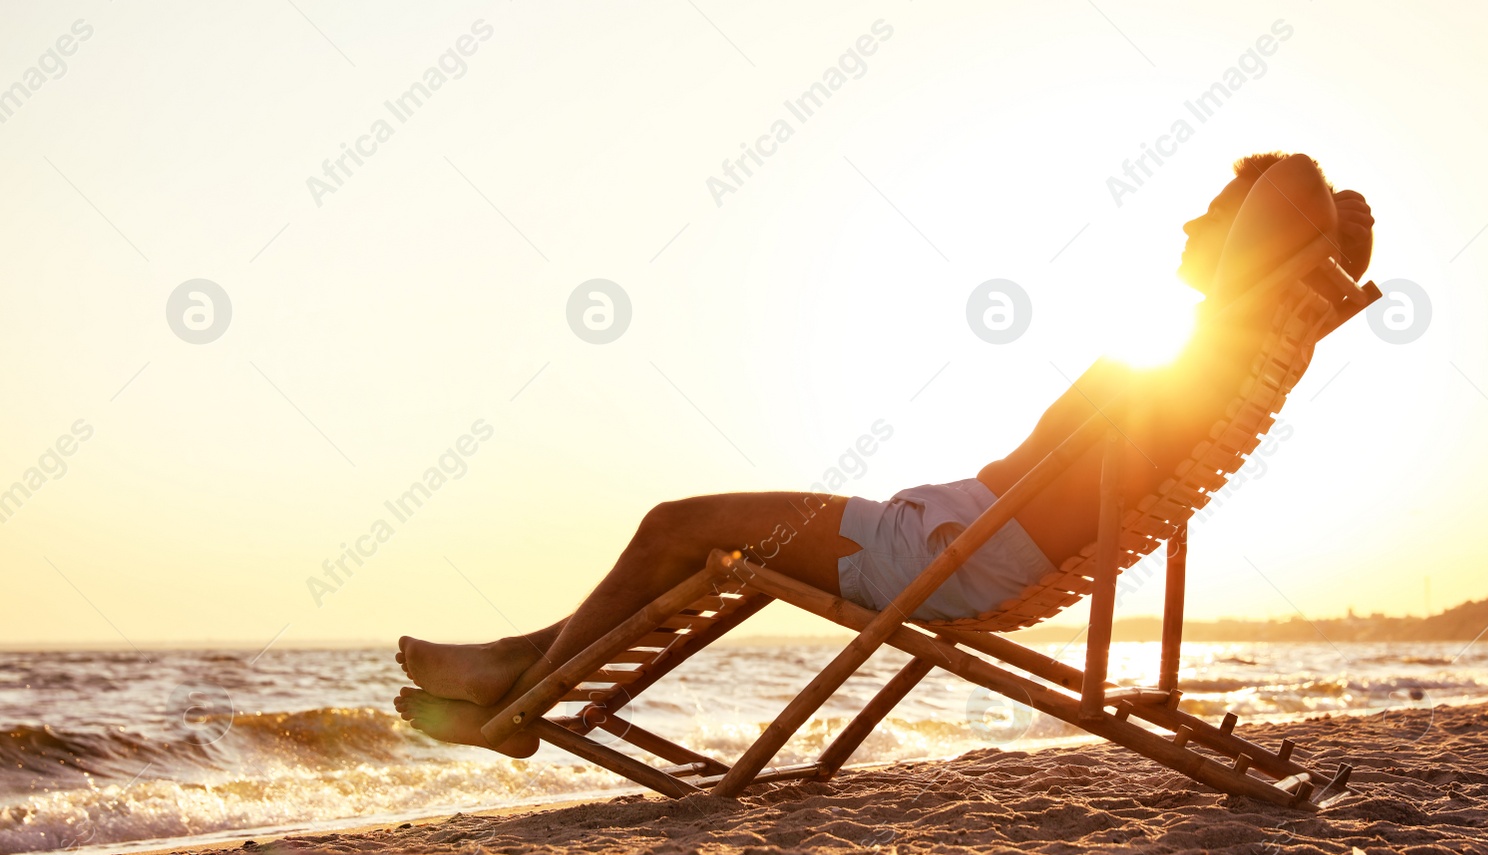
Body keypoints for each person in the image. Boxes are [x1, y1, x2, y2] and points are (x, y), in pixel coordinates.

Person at [394, 151, 1375, 757]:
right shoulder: (1217, 355)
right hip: (957, 537)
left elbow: (1290, 181)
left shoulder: (1212, 348)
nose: (1189, 221)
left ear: (1254, 236)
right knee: (684, 545)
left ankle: (515, 702)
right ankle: (516, 664)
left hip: (945, 549)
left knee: (672, 526)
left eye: (1215, 209)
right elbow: (1303, 209)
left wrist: (1314, 200)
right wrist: (1333, 231)